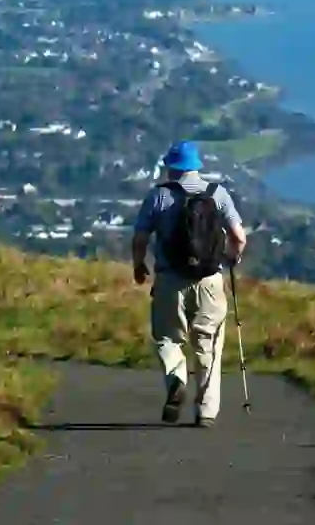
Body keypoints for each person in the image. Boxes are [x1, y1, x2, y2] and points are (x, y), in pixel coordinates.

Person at [131, 140, 247, 428]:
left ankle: (176, 378)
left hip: (171, 279)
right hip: (209, 280)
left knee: (167, 338)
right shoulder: (217, 194)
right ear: (196, 166)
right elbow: (239, 237)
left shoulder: (158, 196)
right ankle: (206, 412)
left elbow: (140, 237)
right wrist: (233, 258)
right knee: (208, 344)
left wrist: (138, 265)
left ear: (172, 166)